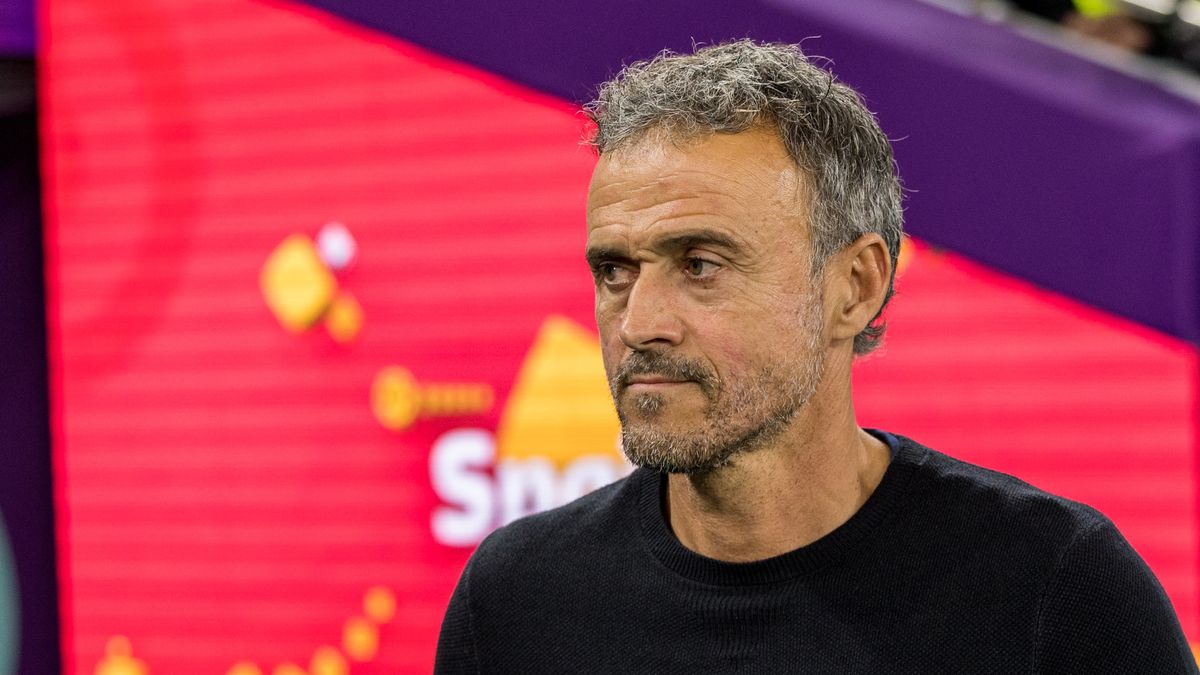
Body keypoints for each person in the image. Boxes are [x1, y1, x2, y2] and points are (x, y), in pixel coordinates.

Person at [434, 40, 1197, 673]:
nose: (639, 323)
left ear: (856, 286)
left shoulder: (1058, 592)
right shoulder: (514, 601)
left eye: (700, 263)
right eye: (615, 271)